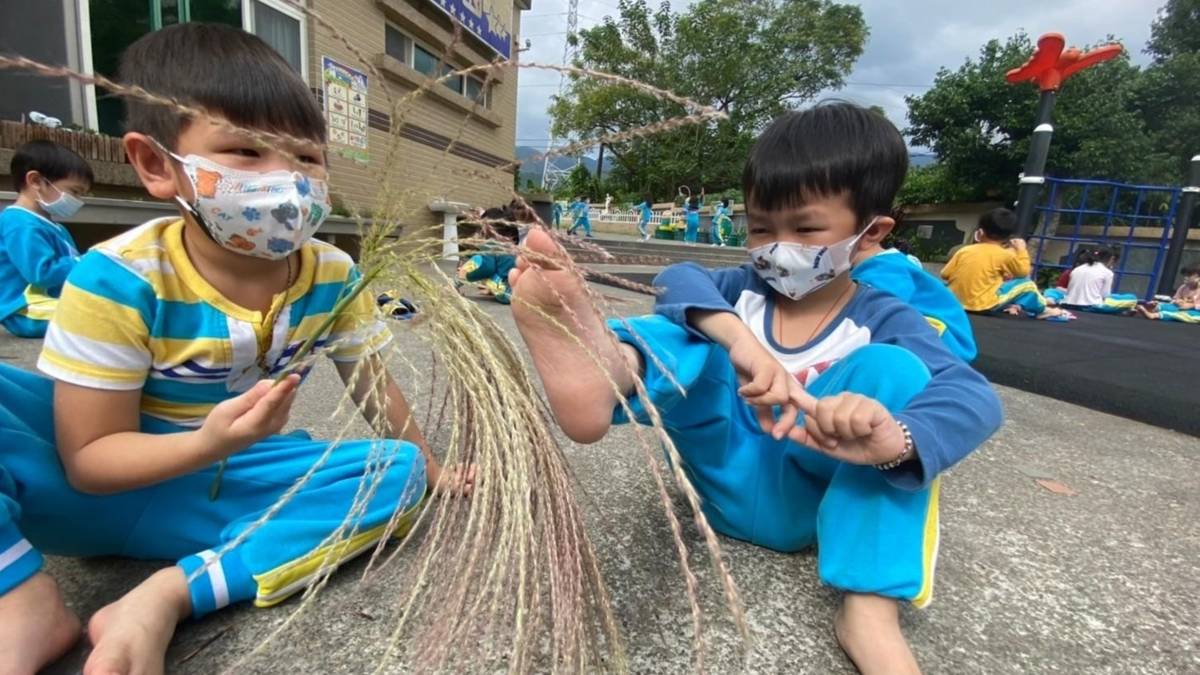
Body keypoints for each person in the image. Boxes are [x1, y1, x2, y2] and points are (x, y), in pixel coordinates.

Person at [0, 24, 471, 675]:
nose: (288, 181)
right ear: (158, 164)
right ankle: (19, 595)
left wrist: (430, 462)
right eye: (247, 151)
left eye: (307, 158)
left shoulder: (332, 273)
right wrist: (207, 442)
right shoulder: (118, 277)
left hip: (224, 487)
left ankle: (169, 593)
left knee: (396, 472)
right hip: (93, 491)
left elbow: (369, 380)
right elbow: (86, 461)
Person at [509, 103, 1003, 675]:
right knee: (689, 329)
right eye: (761, 227)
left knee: (895, 374)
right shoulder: (738, 289)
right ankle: (611, 370)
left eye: (807, 228)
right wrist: (738, 340)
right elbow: (678, 277)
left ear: (872, 234)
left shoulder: (886, 316)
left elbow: (972, 396)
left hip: (813, 500)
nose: (777, 247)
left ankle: (869, 610)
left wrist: (895, 439)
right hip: (721, 485)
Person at [0, 140, 93, 338]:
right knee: (106, 316)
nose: (78, 201)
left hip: (48, 304)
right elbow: (41, 273)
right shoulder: (19, 223)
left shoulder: (53, 226)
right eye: (74, 191)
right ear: (35, 181)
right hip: (27, 310)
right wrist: (88, 261)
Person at [941, 208, 1070, 321]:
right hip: (983, 305)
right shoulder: (1005, 254)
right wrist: (1021, 250)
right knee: (1028, 286)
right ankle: (1043, 310)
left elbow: (945, 274)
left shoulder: (965, 250)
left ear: (980, 231)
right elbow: (1023, 273)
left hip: (955, 302)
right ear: (1009, 236)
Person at [458, 206, 520, 304]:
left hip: (506, 294)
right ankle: (491, 289)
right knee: (498, 269)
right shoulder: (512, 247)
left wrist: (467, 275)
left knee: (478, 259)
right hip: (520, 291)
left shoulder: (491, 245)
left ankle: (454, 285)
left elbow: (488, 267)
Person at [1045, 247, 1136, 314]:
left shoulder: (1078, 269)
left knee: (1051, 291)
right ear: (1111, 259)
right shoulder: (1107, 272)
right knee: (1131, 298)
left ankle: (1051, 299)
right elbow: (1105, 296)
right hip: (1090, 306)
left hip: (1068, 303)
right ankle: (1123, 310)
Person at [1135, 266, 1200, 323]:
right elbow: (1175, 298)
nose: (1185, 277)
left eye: (1189, 276)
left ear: (1198, 278)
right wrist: (1177, 301)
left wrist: (1192, 306)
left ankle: (1153, 315)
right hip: (1181, 308)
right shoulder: (1183, 287)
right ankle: (1153, 308)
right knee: (1166, 306)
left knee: (1180, 315)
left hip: (1195, 312)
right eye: (1185, 275)